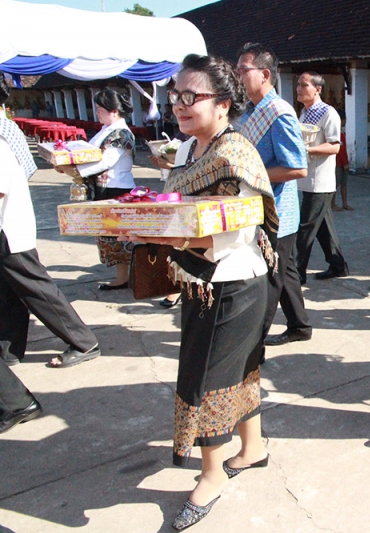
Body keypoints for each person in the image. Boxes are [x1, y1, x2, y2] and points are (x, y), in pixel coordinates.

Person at [121, 54, 275, 531]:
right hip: (201, 281)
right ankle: (253, 449)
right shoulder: (191, 151)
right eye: (176, 97)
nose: (181, 105)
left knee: (208, 381)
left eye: (193, 96)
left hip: (234, 282)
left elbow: (238, 230)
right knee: (240, 372)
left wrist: (167, 237)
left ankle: (212, 475)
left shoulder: (236, 153)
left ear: (224, 103)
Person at [0, 81, 100, 378]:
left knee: (36, 288)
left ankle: (84, 342)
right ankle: (9, 348)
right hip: (10, 225)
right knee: (9, 290)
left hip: (9, 227)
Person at [235, 42, 313, 348]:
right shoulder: (251, 111)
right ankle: (300, 326)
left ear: (265, 74)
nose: (239, 75)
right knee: (285, 271)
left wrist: (249, 176)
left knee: (268, 279)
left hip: (276, 212)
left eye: (244, 70)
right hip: (259, 207)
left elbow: (297, 168)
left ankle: (252, 347)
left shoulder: (278, 113)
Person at [55, 89, 136, 290]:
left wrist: (74, 170)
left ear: (114, 111)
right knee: (107, 233)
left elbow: (105, 161)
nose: (97, 113)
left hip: (117, 188)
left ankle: (124, 276)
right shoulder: (106, 130)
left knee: (118, 234)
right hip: (105, 188)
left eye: (101, 109)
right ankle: (122, 275)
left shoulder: (122, 133)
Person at [295, 71, 349, 282]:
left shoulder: (328, 113)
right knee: (323, 228)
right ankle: (338, 266)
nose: (299, 88)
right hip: (307, 179)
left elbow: (335, 146)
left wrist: (307, 150)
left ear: (318, 89)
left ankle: (296, 272)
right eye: (298, 84)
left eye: (304, 85)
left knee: (305, 229)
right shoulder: (304, 113)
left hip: (320, 181)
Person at [332, 111, 352, 211]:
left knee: (344, 184)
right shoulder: (337, 134)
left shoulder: (342, 134)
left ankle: (345, 203)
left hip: (342, 163)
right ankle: (332, 204)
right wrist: (345, 163)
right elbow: (340, 151)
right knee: (335, 185)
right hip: (338, 163)